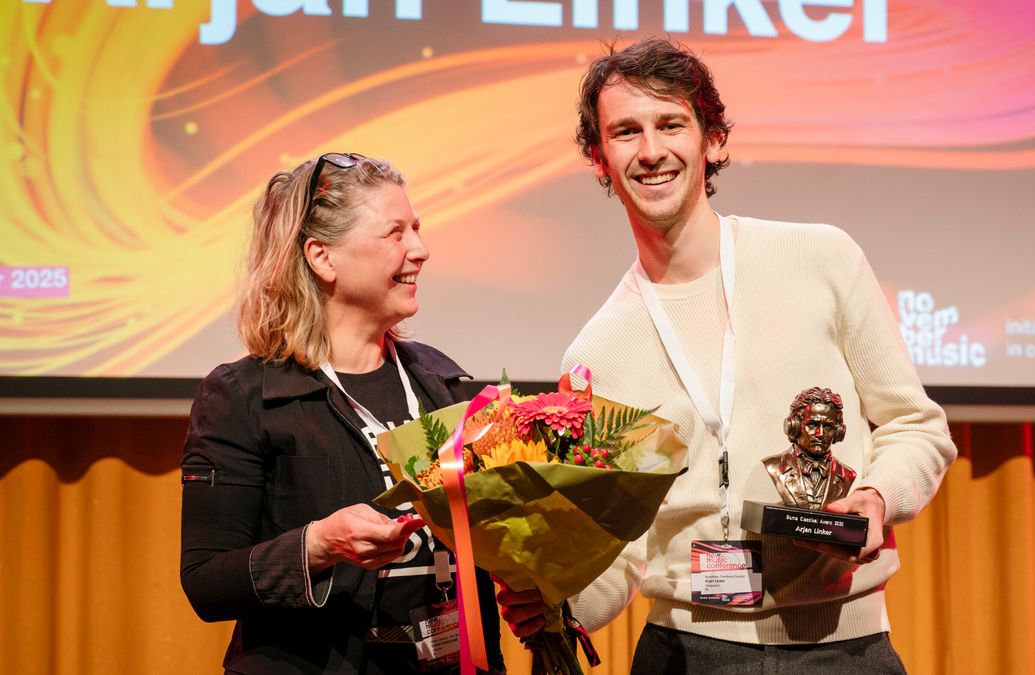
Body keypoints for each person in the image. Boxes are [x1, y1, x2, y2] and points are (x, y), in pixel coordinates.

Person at [497, 38, 956, 672]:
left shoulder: (821, 259)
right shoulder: (597, 351)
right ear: (600, 159)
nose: (651, 151)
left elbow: (916, 427)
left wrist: (877, 497)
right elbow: (622, 545)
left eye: (671, 124)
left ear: (711, 138)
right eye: (625, 132)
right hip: (686, 652)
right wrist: (554, 600)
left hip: (844, 649)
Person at [180, 153, 505, 674]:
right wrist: (317, 545)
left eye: (416, 229)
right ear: (322, 257)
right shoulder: (245, 397)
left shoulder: (441, 387)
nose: (420, 250)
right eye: (395, 233)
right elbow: (205, 582)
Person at [763, 387, 857, 510]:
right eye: (812, 425)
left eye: (828, 427)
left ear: (838, 431)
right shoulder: (774, 465)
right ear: (794, 426)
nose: (820, 434)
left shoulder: (847, 474)